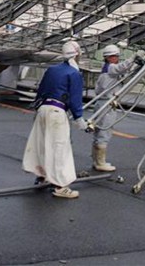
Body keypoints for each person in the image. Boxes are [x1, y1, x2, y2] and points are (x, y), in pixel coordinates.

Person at [22, 40, 88, 199]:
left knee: (42, 143)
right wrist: (79, 119)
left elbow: (41, 91)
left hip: (43, 109)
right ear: (77, 54)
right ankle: (60, 186)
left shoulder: (52, 70)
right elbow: (74, 98)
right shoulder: (74, 73)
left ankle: (42, 175)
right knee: (59, 148)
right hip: (57, 112)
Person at [91, 44, 145, 172]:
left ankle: (96, 160)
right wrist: (133, 57)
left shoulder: (109, 70)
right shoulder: (110, 69)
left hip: (103, 104)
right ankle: (100, 162)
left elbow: (126, 71)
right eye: (114, 56)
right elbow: (122, 68)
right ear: (108, 58)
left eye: (117, 56)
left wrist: (137, 65)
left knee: (100, 132)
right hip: (106, 105)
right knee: (104, 132)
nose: (116, 58)